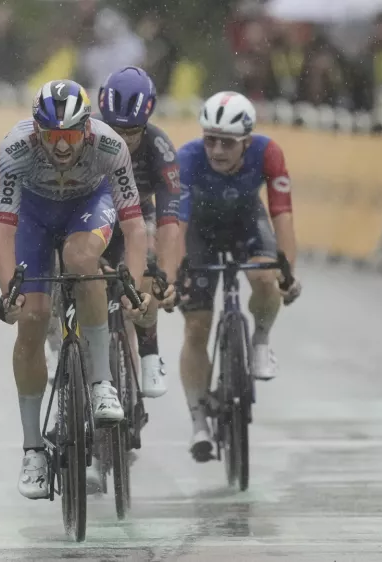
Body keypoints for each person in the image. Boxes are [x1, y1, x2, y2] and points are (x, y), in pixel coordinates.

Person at [0, 79, 152, 500]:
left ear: (87, 129)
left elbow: (135, 226)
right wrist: (11, 291)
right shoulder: (14, 149)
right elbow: (2, 230)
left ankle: (101, 384)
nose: (62, 147)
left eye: (71, 136)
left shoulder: (110, 145)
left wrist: (133, 285)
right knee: (32, 318)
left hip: (88, 207)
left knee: (83, 262)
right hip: (34, 219)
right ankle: (32, 451)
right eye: (52, 136)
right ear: (36, 130)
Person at [155, 91, 302, 463]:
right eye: (211, 140)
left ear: (247, 142)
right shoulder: (186, 160)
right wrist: (172, 279)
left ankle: (261, 341)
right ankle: (199, 421)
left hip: (245, 223)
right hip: (199, 233)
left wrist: (287, 272)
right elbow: (177, 224)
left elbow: (282, 216)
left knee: (267, 280)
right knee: (196, 327)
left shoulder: (268, 153)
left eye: (228, 143)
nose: (217, 150)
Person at [96, 65, 179, 399]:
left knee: (145, 270)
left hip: (139, 215)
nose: (122, 140)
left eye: (131, 132)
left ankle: (149, 351)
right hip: (96, 216)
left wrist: (168, 279)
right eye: (115, 130)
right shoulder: (87, 139)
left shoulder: (160, 146)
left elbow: (170, 222)